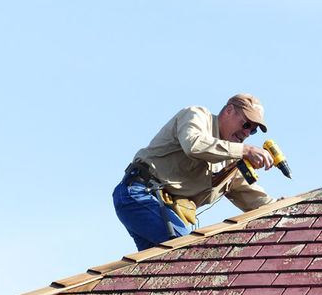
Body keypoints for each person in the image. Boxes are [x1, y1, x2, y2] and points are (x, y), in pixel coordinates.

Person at [113, 94, 276, 251]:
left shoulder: (230, 161)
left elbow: (248, 194)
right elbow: (193, 145)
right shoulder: (197, 115)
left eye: (252, 131)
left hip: (159, 206)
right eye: (246, 125)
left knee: (163, 268)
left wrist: (278, 208)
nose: (246, 133)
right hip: (138, 193)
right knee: (187, 250)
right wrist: (245, 150)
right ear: (229, 111)